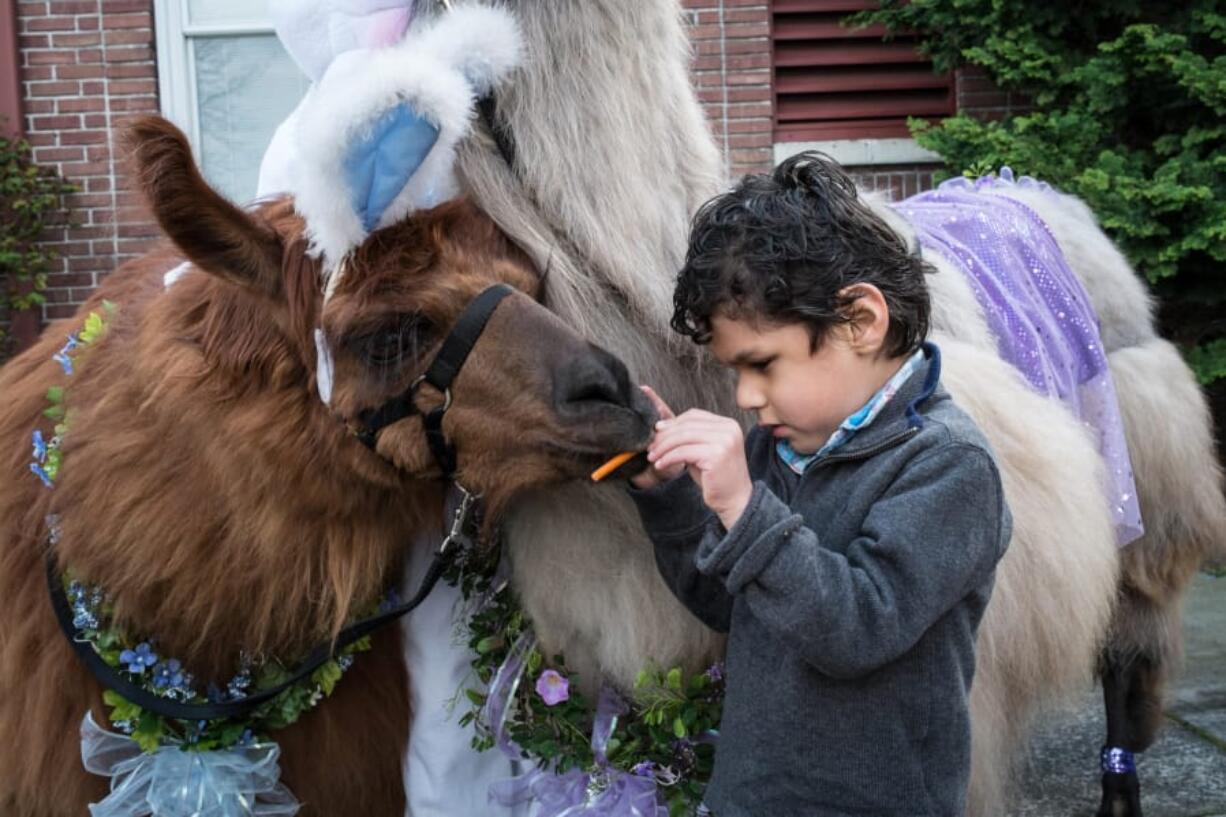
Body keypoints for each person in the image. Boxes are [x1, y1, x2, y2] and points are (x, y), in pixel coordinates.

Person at [628, 151, 1012, 816]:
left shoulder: (948, 465)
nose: (746, 396)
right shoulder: (779, 445)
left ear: (861, 321)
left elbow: (858, 626)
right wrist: (667, 493)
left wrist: (744, 507)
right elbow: (730, 602)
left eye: (762, 364)